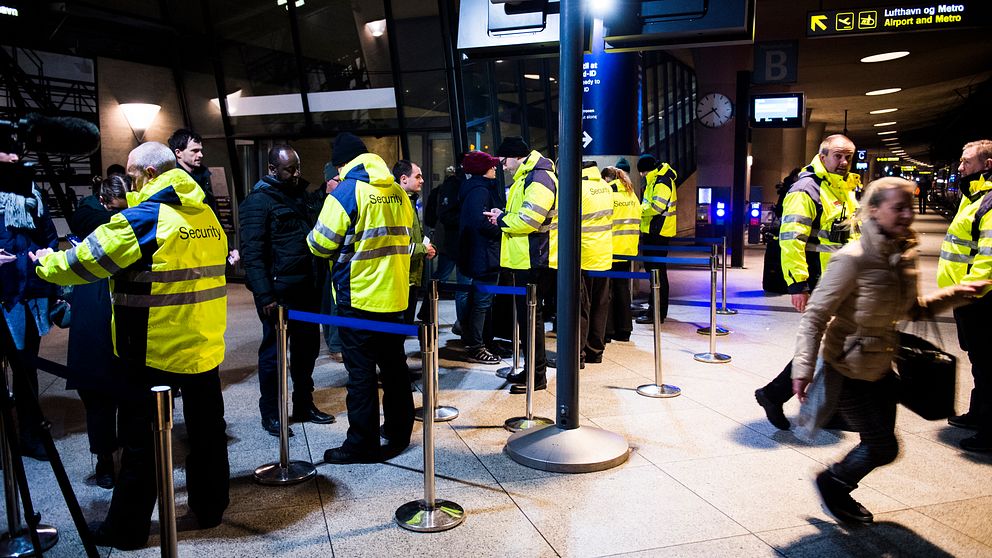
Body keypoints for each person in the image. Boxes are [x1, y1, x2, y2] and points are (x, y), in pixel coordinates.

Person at [32, 141, 230, 550]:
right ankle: (211, 509)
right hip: (203, 344)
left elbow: (85, 261)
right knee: (208, 434)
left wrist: (40, 262)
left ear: (151, 174)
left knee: (142, 445)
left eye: (134, 176)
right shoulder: (205, 213)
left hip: (153, 348)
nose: (130, 184)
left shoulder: (147, 217)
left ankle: (125, 529)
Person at [791, 177, 985, 524]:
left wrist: (958, 292)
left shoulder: (902, 254)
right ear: (874, 210)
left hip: (881, 363)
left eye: (911, 205)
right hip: (847, 367)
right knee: (883, 446)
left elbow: (913, 309)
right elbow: (816, 316)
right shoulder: (853, 258)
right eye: (899, 207)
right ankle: (833, 483)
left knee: (880, 445)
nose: (907, 214)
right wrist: (802, 370)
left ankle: (836, 482)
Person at [308, 132, 415, 464]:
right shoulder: (397, 191)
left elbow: (320, 244)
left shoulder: (346, 191)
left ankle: (361, 444)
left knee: (362, 375)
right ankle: (398, 433)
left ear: (341, 164)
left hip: (358, 300)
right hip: (395, 297)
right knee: (395, 369)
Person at [755, 134, 860, 430]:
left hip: (840, 278)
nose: (843, 162)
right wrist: (798, 284)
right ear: (823, 155)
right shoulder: (807, 189)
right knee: (827, 345)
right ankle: (776, 394)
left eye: (848, 157)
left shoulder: (842, 187)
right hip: (818, 280)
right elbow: (791, 240)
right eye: (838, 156)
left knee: (835, 345)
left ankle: (800, 400)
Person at [240, 145, 335, 437]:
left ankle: (303, 404)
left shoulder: (300, 195)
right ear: (272, 169)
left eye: (297, 167)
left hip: (306, 287)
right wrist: (265, 295)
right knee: (274, 356)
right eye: (289, 169)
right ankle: (270, 412)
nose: (296, 173)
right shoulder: (257, 202)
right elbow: (252, 254)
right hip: (278, 294)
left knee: (306, 351)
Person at [65, 174, 129, 488]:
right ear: (103, 201)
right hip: (95, 317)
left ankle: (118, 459)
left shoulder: (94, 223)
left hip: (118, 320)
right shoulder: (93, 222)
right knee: (99, 399)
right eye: (116, 210)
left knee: (122, 397)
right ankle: (106, 460)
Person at [484, 137, 558, 393]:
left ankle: (536, 378)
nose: (503, 167)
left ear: (516, 156)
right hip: (528, 257)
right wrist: (503, 216)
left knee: (531, 320)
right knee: (529, 321)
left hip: (533, 259)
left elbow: (529, 220)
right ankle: (532, 371)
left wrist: (502, 219)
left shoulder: (537, 178)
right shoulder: (531, 176)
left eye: (504, 161)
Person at [0, 142, 59, 461]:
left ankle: (29, 434)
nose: (13, 160)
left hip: (29, 290)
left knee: (27, 367)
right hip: (3, 292)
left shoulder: (34, 195)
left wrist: (45, 256)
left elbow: (48, 235)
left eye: (16, 155)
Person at [937, 139, 992, 452]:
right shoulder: (974, 197)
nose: (960, 167)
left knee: (988, 363)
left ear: (987, 165)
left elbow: (988, 258)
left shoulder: (989, 202)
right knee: (979, 361)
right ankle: (978, 414)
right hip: (967, 298)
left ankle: (989, 431)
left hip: (980, 299)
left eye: (966, 162)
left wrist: (968, 291)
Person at [456, 150, 503, 364]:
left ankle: (482, 340)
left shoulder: (472, 188)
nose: (494, 169)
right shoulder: (480, 191)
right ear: (481, 170)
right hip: (484, 254)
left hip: (476, 253)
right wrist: (501, 227)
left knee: (480, 301)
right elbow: (479, 221)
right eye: (490, 166)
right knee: (482, 302)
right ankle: (477, 345)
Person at [169, 128, 239, 265]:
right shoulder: (171, 181)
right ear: (178, 153)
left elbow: (212, 215)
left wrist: (226, 246)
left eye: (200, 150)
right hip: (186, 250)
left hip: (205, 246)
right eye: (194, 151)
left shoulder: (203, 177)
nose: (200, 155)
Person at [576, 161, 613, 365]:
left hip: (585, 255)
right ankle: (595, 352)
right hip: (604, 253)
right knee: (600, 305)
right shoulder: (606, 188)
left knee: (582, 307)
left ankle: (578, 355)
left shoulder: (579, 188)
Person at [634, 153, 678, 325]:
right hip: (654, 231)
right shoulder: (656, 180)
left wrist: (638, 210)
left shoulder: (661, 182)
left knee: (657, 272)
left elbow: (656, 207)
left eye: (642, 172)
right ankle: (654, 309)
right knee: (655, 272)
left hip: (658, 232)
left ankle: (657, 312)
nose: (641, 176)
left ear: (647, 170)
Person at [393, 160, 436, 324]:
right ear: (404, 178)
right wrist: (423, 249)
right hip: (403, 276)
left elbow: (415, 235)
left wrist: (429, 248)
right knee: (399, 328)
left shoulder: (409, 202)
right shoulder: (398, 204)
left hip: (411, 275)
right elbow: (396, 245)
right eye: (418, 176)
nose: (422, 180)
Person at [603, 166, 639, 343]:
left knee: (607, 291)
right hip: (629, 249)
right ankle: (624, 330)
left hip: (611, 248)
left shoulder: (610, 194)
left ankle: (608, 331)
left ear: (607, 179)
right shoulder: (631, 194)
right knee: (623, 289)